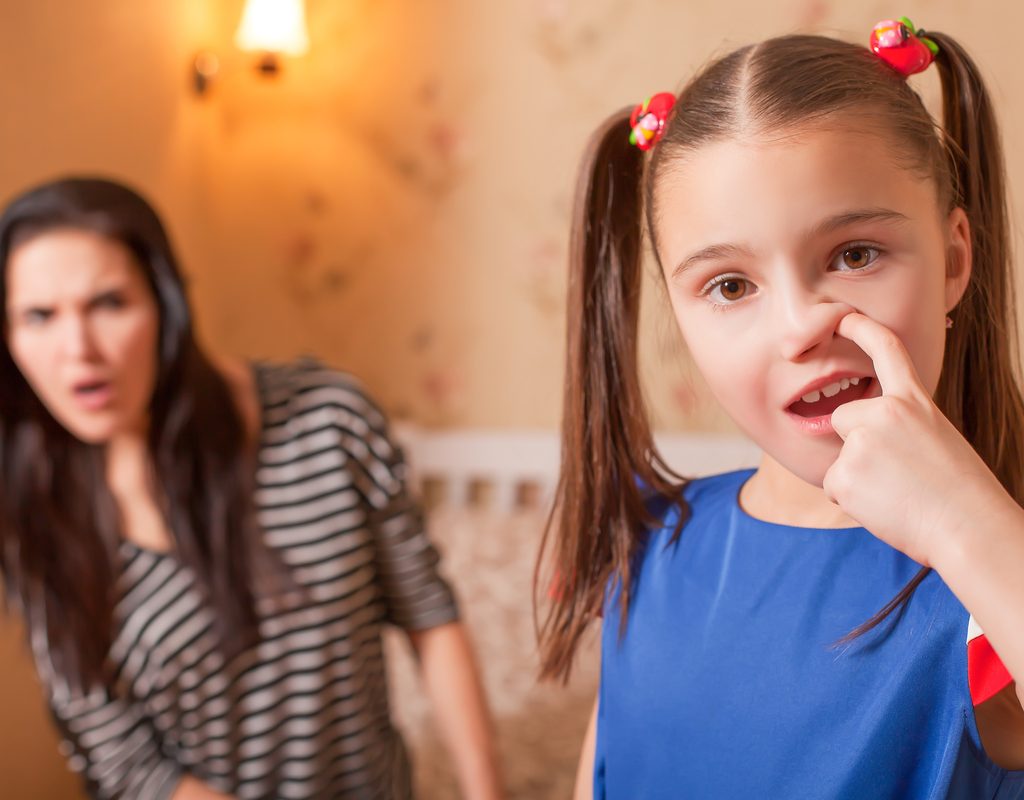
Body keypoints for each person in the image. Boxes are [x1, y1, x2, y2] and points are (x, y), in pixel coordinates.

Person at [536, 18, 1024, 799]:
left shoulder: (995, 565)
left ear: (955, 260)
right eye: (730, 286)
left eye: (855, 255)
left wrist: (963, 522)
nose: (802, 326)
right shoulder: (655, 551)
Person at [0, 177, 504, 800]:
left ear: (165, 304)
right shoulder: (33, 519)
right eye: (38, 317)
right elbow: (130, 768)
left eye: (108, 303)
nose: (78, 350)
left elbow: (431, 616)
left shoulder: (328, 420)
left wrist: (489, 793)